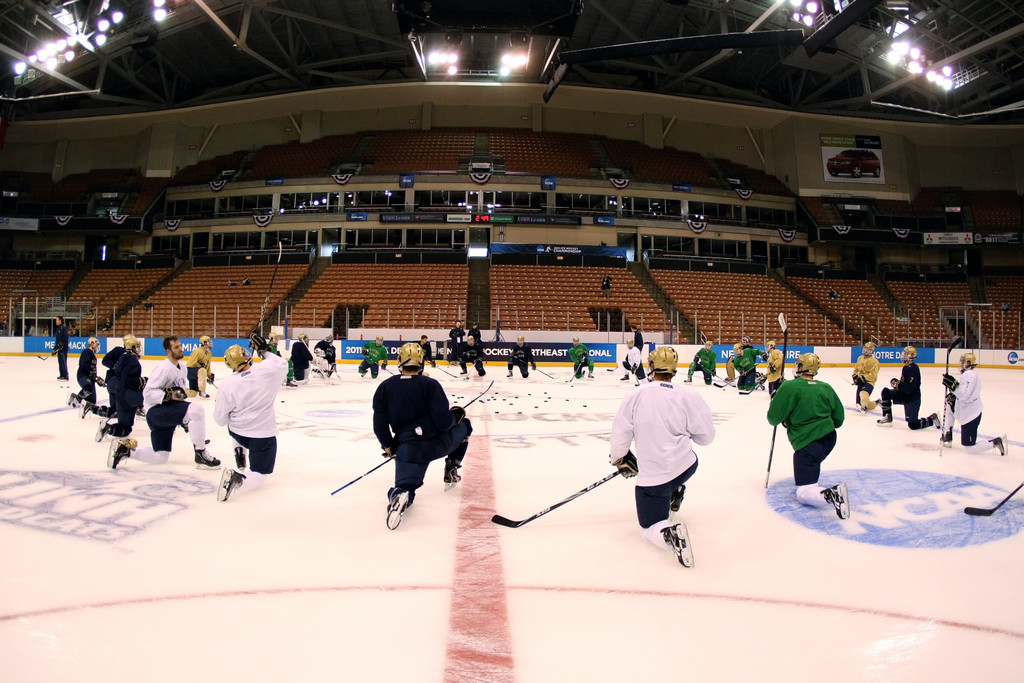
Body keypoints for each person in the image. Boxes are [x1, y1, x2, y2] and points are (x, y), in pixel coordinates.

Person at [609, 346, 715, 568]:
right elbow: (706, 438)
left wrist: (621, 458)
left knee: (650, 527)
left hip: (654, 481)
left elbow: (621, 431)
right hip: (685, 466)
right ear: (675, 370)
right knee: (678, 468)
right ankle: (675, 489)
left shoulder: (636, 394)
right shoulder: (690, 395)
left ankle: (668, 534)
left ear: (651, 367)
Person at [373, 342, 473, 530]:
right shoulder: (431, 385)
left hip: (409, 449)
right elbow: (444, 422)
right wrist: (456, 416)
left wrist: (389, 446)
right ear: (422, 363)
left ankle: (400, 495)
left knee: (405, 486)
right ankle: (452, 469)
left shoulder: (385, 388)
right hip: (439, 444)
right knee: (466, 426)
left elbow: (379, 425)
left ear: (399, 361)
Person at [107, 336, 221, 471]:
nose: (180, 349)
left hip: (165, 413)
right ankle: (200, 454)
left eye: (180, 346)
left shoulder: (182, 367)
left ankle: (126, 451)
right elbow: (148, 393)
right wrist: (167, 395)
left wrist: (184, 418)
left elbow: (179, 397)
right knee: (197, 409)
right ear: (168, 351)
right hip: (156, 412)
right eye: (176, 347)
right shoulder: (163, 368)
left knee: (160, 456)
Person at [766, 352, 849, 519]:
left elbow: (773, 418)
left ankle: (831, 495)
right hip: (829, 438)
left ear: (801, 367)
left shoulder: (790, 387)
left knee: (804, 491)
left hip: (807, 445)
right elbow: (839, 419)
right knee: (812, 461)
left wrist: (776, 400)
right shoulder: (825, 387)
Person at [212, 333, 290, 501]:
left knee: (234, 426)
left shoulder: (226, 384)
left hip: (237, 431)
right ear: (247, 355)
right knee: (260, 475)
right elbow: (281, 363)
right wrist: (264, 350)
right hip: (262, 436)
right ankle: (237, 479)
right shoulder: (266, 371)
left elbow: (219, 419)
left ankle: (239, 448)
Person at [940, 353, 1007, 455]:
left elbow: (966, 394)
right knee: (950, 403)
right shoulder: (968, 374)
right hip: (967, 409)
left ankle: (996, 442)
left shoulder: (969, 375)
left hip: (971, 415)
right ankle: (948, 434)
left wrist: (954, 386)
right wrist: (953, 389)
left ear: (968, 363)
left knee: (970, 448)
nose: (961, 364)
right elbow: (965, 393)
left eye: (962, 362)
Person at [877, 346, 939, 430]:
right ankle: (887, 416)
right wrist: (897, 384)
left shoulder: (914, 368)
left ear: (912, 356)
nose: (903, 355)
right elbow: (904, 384)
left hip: (912, 399)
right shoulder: (905, 367)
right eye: (904, 353)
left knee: (913, 425)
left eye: (906, 354)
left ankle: (932, 418)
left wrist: (898, 385)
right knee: (886, 392)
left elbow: (910, 388)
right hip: (903, 395)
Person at [97, 334, 144, 442]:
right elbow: (130, 381)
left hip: (120, 394)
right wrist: (142, 382)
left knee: (124, 426)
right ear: (130, 347)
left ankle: (108, 428)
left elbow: (121, 374)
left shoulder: (123, 357)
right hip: (127, 395)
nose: (137, 349)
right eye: (135, 347)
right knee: (151, 397)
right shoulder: (131, 360)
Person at [71, 337, 110, 417]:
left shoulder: (93, 355)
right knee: (88, 387)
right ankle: (76, 399)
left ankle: (87, 406)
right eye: (96, 344)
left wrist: (96, 378)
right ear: (92, 343)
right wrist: (93, 376)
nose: (97, 346)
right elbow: (84, 365)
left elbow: (92, 370)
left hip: (90, 378)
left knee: (92, 400)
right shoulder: (87, 352)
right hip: (83, 375)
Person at [852, 342, 880, 413]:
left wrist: (863, 378)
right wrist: (856, 377)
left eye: (868, 349)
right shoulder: (860, 358)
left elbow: (873, 376)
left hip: (869, 382)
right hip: (861, 383)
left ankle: (864, 406)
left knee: (863, 393)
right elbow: (856, 370)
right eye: (865, 348)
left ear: (872, 351)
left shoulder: (875, 362)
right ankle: (877, 402)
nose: (866, 350)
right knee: (858, 403)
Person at [52, 315, 69, 381]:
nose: (56, 321)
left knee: (63, 361)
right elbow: (57, 340)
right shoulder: (58, 329)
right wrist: (55, 348)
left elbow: (66, 338)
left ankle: (65, 375)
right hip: (59, 347)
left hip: (63, 348)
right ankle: (62, 374)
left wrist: (63, 344)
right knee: (60, 361)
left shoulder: (63, 328)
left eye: (57, 320)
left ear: (60, 320)